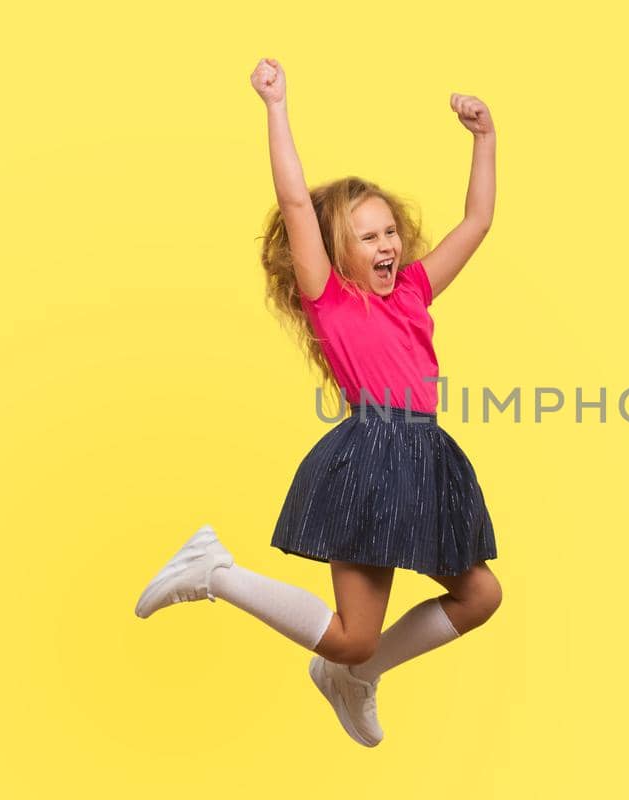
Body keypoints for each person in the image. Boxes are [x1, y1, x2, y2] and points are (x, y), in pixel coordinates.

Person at [133, 57, 502, 748]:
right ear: (338, 250)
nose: (388, 244)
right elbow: (298, 201)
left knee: (478, 596)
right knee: (350, 637)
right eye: (368, 237)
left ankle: (350, 679)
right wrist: (276, 105)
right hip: (373, 459)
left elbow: (476, 221)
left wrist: (483, 139)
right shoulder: (332, 300)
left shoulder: (415, 289)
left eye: (391, 231)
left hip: (426, 459)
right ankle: (213, 571)